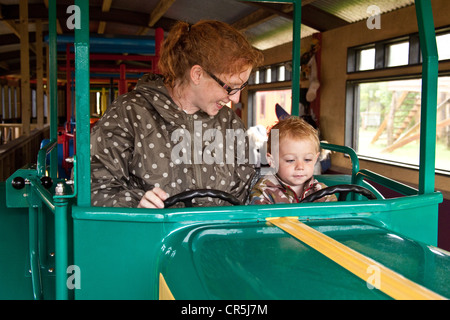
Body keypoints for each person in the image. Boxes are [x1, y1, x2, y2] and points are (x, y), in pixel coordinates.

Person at [90, 20, 264, 208]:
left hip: (219, 235)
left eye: (242, 87)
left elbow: (250, 183)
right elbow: (95, 185)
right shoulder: (130, 113)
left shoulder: (229, 121)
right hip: (154, 235)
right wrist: (135, 204)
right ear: (197, 74)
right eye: (230, 88)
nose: (236, 99)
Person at [249, 116, 337, 204]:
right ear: (272, 161)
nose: (300, 167)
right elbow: (261, 216)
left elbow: (337, 215)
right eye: (290, 160)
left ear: (315, 159)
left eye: (307, 159)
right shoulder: (263, 193)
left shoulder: (323, 192)